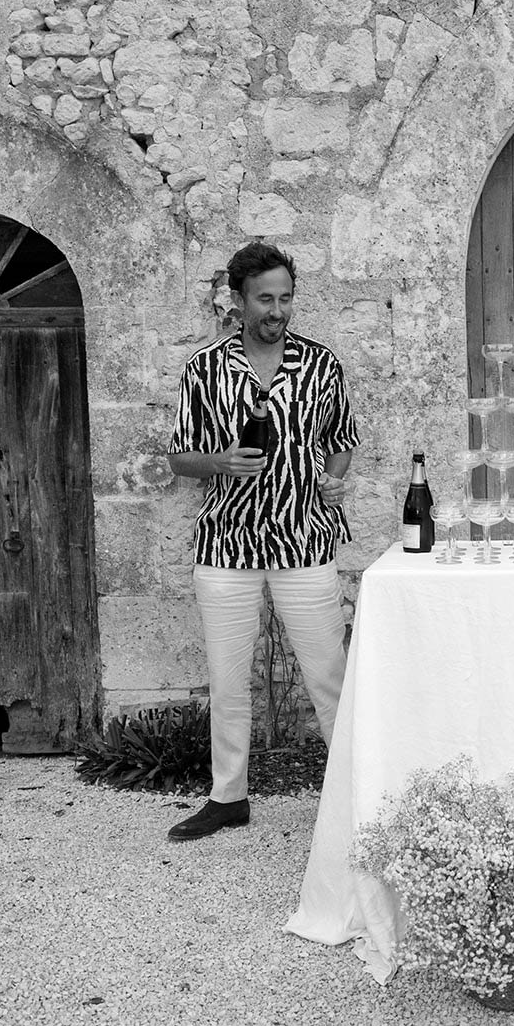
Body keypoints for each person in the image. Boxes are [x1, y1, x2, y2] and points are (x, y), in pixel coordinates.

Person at [165, 241, 359, 841]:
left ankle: (355, 798)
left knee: (328, 677)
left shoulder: (322, 365)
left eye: (285, 298)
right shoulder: (204, 368)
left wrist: (334, 477)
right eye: (265, 299)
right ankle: (229, 798)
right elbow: (178, 458)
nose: (277, 310)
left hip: (304, 542)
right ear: (239, 300)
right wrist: (220, 461)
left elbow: (343, 438)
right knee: (228, 682)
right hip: (227, 547)